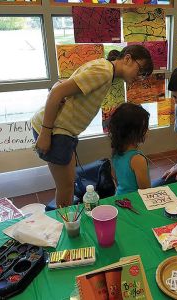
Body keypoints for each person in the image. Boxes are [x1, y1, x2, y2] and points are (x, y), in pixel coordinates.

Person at [31, 45, 153, 207]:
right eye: (140, 71)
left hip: (62, 131)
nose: (140, 77)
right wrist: (45, 134)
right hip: (55, 130)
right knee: (66, 188)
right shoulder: (104, 71)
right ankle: (65, 226)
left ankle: (67, 223)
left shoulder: (105, 71)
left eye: (143, 75)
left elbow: (60, 85)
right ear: (128, 58)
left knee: (67, 186)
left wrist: (57, 91)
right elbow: (57, 92)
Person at [108, 103, 151, 195]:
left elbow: (115, 179)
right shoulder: (138, 159)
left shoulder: (115, 152)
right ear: (134, 132)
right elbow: (146, 191)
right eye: (145, 127)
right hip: (134, 202)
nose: (148, 129)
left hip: (119, 197)